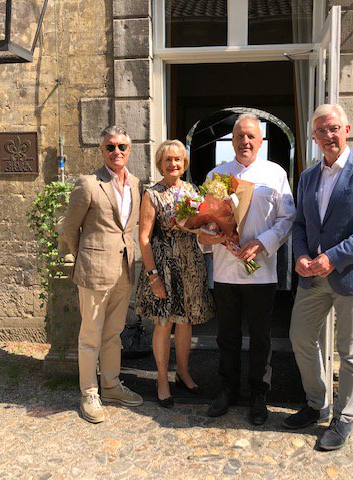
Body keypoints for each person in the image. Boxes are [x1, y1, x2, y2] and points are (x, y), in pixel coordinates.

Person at [285, 104, 353, 450]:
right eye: (320, 131)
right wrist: (301, 254)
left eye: (333, 128)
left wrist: (334, 257)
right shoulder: (307, 177)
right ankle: (317, 402)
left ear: (346, 129)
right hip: (312, 277)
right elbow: (300, 224)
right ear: (314, 137)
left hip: (351, 277)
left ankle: (343, 418)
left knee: (350, 351)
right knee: (300, 336)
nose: (327, 136)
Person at [199, 113, 296, 425]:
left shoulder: (275, 174)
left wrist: (263, 242)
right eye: (239, 136)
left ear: (261, 141)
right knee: (226, 335)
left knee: (260, 337)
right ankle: (227, 389)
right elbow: (207, 220)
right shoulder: (217, 175)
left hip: (261, 270)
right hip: (226, 269)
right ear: (233, 140)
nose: (245, 141)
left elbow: (287, 218)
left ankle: (258, 392)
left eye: (251, 136)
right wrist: (207, 234)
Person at [61, 125, 144, 424]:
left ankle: (111, 386)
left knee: (113, 334)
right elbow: (70, 229)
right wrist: (87, 256)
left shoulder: (135, 183)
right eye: (110, 147)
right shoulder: (88, 184)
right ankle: (89, 392)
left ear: (128, 150)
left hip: (124, 269)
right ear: (102, 151)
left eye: (122, 146)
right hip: (94, 271)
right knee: (90, 336)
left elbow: (129, 228)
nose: (117, 152)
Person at [135, 140, 214, 408]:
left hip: (190, 264)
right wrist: (153, 277)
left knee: (185, 321)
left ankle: (182, 372)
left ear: (184, 163)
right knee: (163, 323)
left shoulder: (192, 191)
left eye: (178, 159)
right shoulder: (152, 194)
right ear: (160, 163)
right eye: (168, 159)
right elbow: (144, 238)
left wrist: (223, 233)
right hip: (164, 267)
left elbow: (201, 231)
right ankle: (161, 379)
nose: (173, 164)